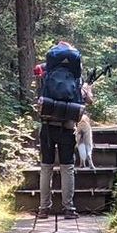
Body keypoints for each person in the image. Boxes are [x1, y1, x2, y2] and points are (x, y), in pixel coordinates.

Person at [35, 39, 85, 218]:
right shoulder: (76, 72)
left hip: (48, 125)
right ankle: (69, 209)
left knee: (46, 166)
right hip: (67, 125)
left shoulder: (47, 68)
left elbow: (39, 89)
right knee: (67, 166)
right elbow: (85, 98)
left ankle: (43, 208)